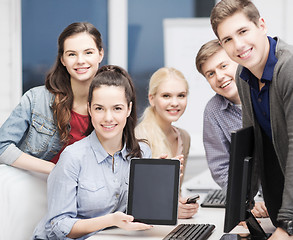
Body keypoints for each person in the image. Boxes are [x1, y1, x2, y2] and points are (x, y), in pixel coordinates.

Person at [210, 0, 293, 239]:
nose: (238, 45)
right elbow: (252, 148)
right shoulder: (244, 75)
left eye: (243, 31)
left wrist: (288, 224)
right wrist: (243, 207)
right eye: (227, 39)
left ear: (261, 25)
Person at [33, 65, 153, 239]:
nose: (108, 118)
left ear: (128, 109)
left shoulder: (142, 153)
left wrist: (166, 192)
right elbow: (58, 227)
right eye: (99, 108)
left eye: (117, 108)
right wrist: (110, 220)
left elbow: (142, 209)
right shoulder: (73, 157)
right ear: (89, 109)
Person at [0, 22, 104, 174]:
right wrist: (57, 170)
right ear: (63, 59)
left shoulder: (110, 106)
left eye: (88, 52)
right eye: (72, 54)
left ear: (100, 54)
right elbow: (2, 147)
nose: (80, 60)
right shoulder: (36, 99)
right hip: (37, 189)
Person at [195, 39, 268, 219]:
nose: (219, 77)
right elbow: (221, 167)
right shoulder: (213, 111)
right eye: (210, 74)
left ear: (238, 62)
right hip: (254, 206)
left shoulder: (268, 93)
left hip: (289, 197)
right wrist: (246, 201)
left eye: (223, 66)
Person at [135, 67, 198, 219]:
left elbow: (175, 191)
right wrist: (168, 208)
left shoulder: (184, 137)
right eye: (166, 96)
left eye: (181, 95)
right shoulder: (138, 138)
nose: (175, 103)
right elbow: (135, 197)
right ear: (151, 99)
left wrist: (182, 204)